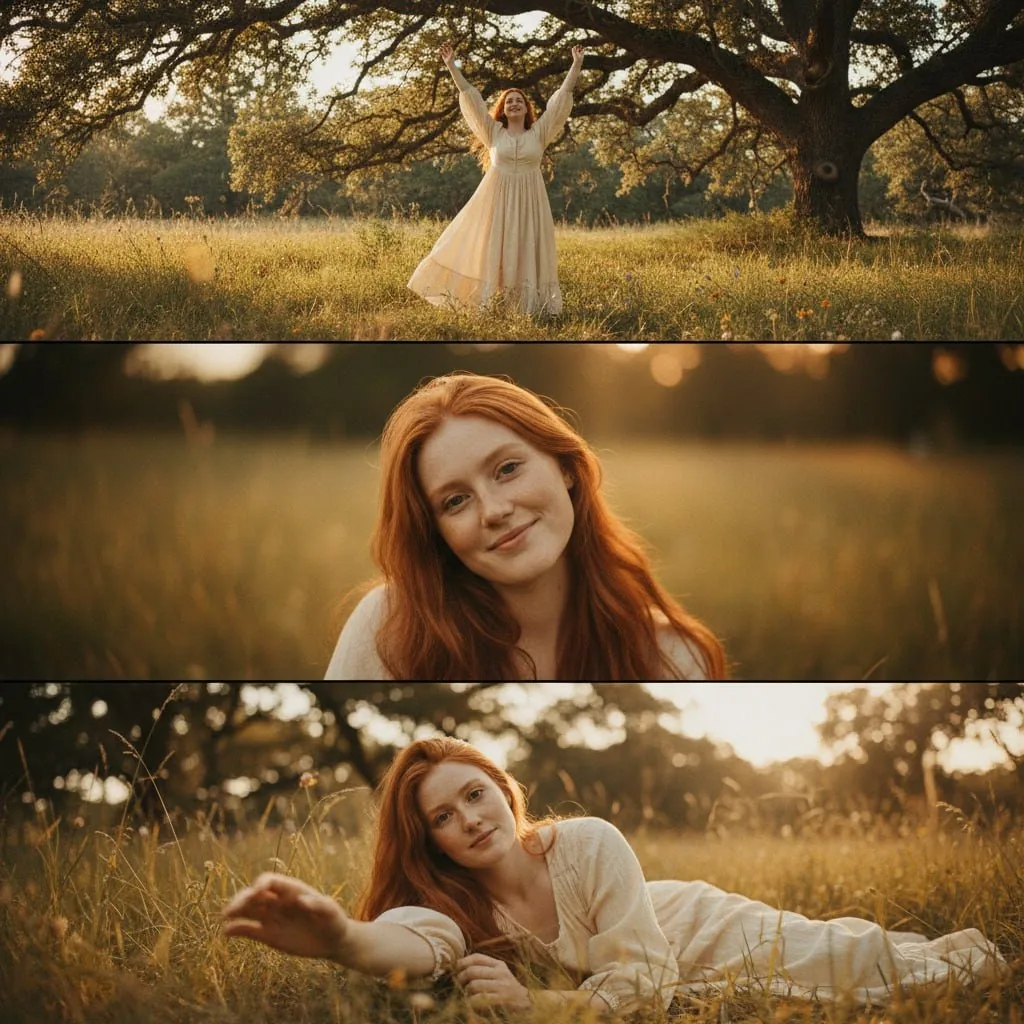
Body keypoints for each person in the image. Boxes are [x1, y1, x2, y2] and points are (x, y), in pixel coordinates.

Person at [221, 738, 1007, 1013]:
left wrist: (536, 1005)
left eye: (475, 794)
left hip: (693, 928)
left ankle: (969, 958)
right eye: (442, 817)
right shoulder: (447, 906)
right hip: (661, 974)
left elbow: (647, 979)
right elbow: (411, 944)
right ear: (426, 843)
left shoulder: (584, 843)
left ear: (504, 792)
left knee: (862, 962)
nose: (469, 818)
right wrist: (341, 938)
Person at [323, 371, 726, 680]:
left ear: (566, 467)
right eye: (455, 500)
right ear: (435, 533)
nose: (494, 510)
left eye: (507, 469)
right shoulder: (388, 628)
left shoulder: (672, 657)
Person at [406, 43, 584, 316]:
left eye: (519, 100)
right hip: (495, 202)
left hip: (530, 203)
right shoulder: (493, 133)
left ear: (526, 109)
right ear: (503, 109)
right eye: (509, 101)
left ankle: (527, 308)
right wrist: (452, 66)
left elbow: (561, 100)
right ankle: (490, 306)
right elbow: (470, 97)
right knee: (494, 252)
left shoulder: (540, 133)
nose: (514, 103)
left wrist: (576, 64)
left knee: (526, 250)